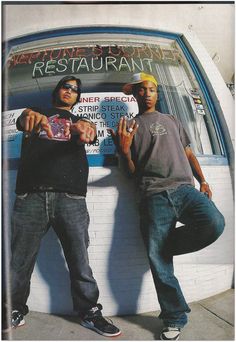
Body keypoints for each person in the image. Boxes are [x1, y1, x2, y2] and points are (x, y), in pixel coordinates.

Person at [109, 72, 225, 340]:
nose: (146, 93)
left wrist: (203, 180)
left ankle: (161, 248)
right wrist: (124, 151)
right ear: (135, 95)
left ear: (157, 93)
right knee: (160, 265)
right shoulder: (128, 126)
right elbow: (130, 174)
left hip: (185, 189)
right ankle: (174, 317)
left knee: (214, 223)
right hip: (153, 195)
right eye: (141, 90)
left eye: (150, 89)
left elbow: (188, 152)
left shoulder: (172, 119)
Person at [9, 75, 121, 337]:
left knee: (80, 261)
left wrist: (87, 130)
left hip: (71, 198)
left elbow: (89, 131)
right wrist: (25, 117)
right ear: (57, 91)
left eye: (75, 90)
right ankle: (11, 309)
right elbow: (23, 120)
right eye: (65, 86)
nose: (70, 91)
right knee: (18, 262)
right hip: (30, 196)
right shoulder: (35, 113)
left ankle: (89, 311)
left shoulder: (81, 121)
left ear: (78, 98)